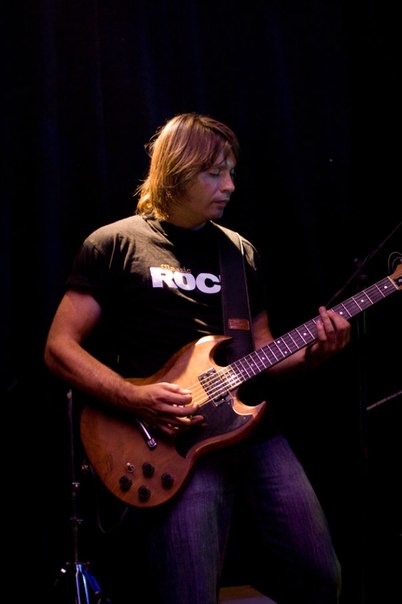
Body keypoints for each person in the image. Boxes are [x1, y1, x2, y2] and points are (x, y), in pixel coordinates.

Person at [44, 112, 351, 604]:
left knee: (320, 574)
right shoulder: (115, 243)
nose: (229, 186)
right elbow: (60, 347)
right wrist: (135, 398)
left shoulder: (238, 252)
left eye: (231, 172)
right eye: (214, 173)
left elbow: (263, 353)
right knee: (189, 591)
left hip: (251, 432)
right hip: (168, 438)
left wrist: (314, 355)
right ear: (177, 171)